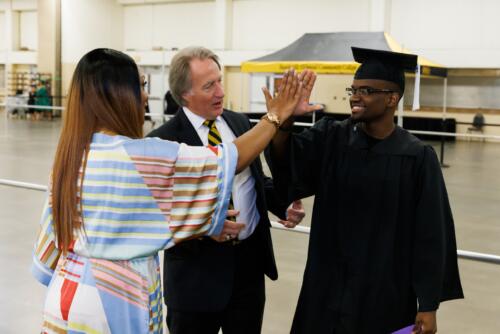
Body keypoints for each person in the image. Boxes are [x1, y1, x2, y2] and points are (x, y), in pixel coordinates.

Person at [31, 48, 303, 334]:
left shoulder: (70, 158)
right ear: (118, 94)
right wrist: (274, 116)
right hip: (114, 306)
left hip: (65, 300)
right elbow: (228, 160)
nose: (147, 96)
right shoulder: (145, 156)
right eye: (142, 85)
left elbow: (47, 257)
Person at [269, 47, 464, 334]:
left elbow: (431, 233)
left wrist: (428, 304)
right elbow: (290, 166)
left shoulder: (417, 157)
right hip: (327, 285)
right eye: (354, 89)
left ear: (391, 99)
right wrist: (284, 121)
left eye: (367, 90)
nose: (355, 96)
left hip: (385, 291)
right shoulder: (331, 137)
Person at [147, 46, 306, 334]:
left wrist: (282, 205)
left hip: (248, 272)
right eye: (209, 85)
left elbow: (254, 180)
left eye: (220, 80)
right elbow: (159, 217)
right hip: (196, 279)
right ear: (184, 94)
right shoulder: (162, 142)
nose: (220, 91)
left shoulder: (238, 122)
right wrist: (203, 227)